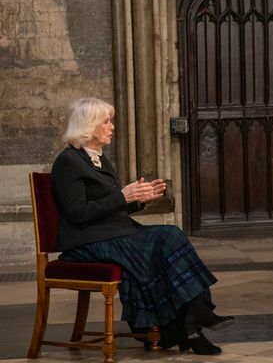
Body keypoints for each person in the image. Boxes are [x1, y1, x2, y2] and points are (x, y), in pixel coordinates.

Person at [51, 98, 233, 355]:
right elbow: (78, 213)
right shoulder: (68, 162)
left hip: (114, 232)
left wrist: (137, 200)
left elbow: (114, 205)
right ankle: (192, 318)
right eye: (106, 121)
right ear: (89, 125)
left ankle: (190, 323)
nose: (112, 126)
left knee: (169, 235)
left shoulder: (100, 160)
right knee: (165, 238)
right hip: (87, 241)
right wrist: (123, 196)